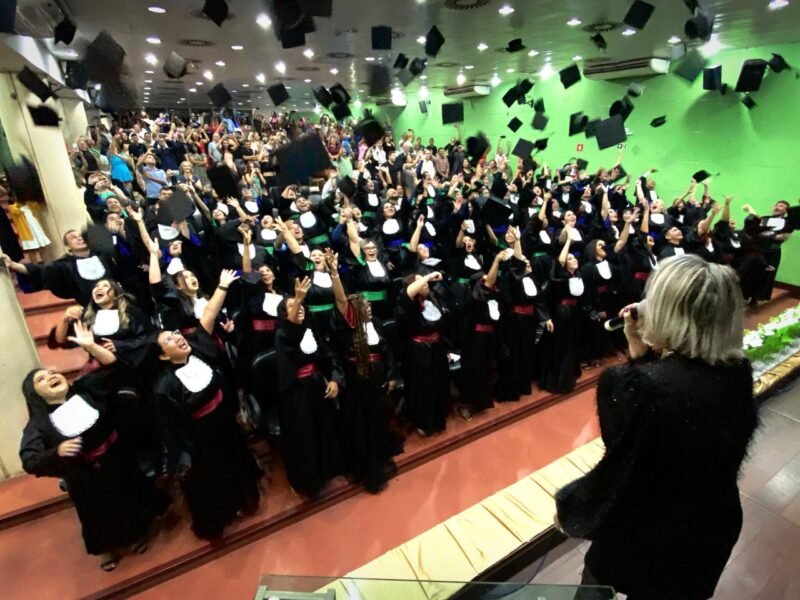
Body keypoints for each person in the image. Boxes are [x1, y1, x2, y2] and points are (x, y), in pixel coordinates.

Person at [555, 255, 758, 600]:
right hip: (712, 528)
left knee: (596, 586)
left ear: (668, 313)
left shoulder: (632, 385)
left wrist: (572, 508)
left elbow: (623, 461)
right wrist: (644, 356)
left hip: (649, 532)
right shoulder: (737, 371)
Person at [20, 362, 168, 571]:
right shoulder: (39, 424)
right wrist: (57, 452)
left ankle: (135, 535)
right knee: (97, 515)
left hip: (116, 458)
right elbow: (29, 459)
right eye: (41, 379)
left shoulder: (85, 390)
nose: (51, 375)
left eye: (52, 372)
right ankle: (106, 548)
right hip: (84, 476)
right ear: (35, 395)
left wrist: (90, 346)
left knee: (126, 499)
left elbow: (112, 370)